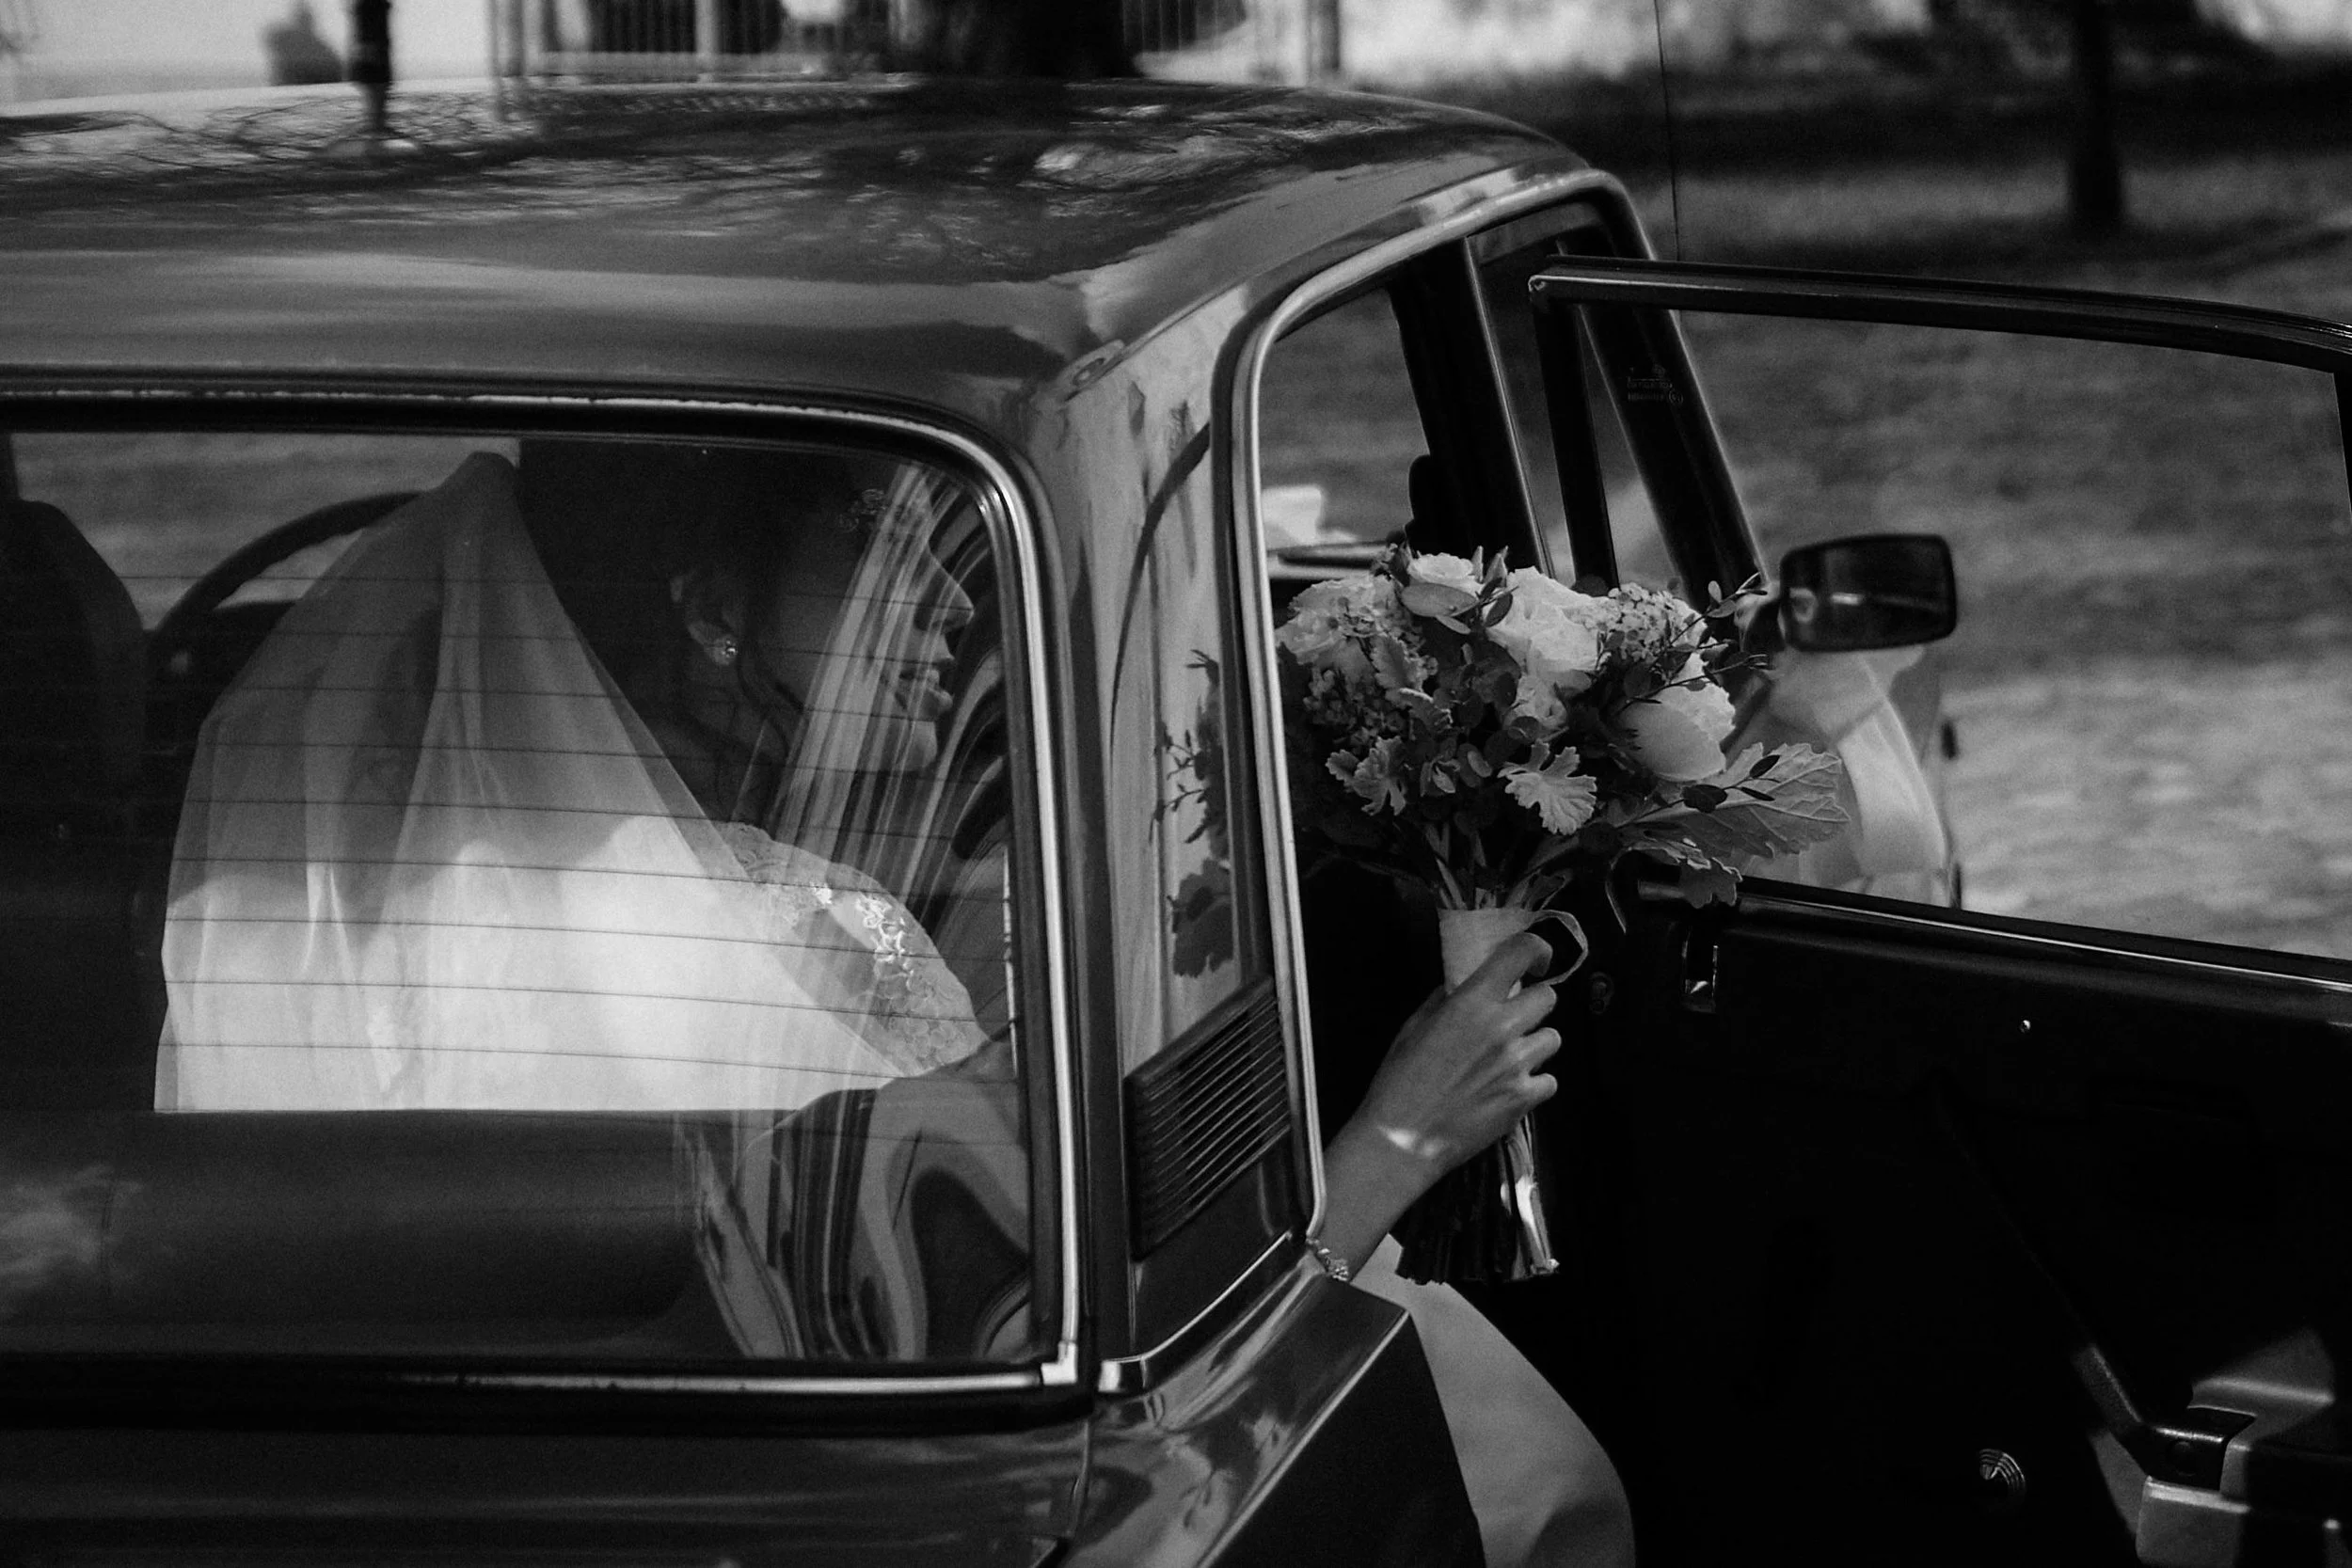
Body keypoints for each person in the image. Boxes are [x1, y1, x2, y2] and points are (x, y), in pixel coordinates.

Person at [156, 440, 1629, 1563]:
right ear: (714, 607)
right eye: (873, 542)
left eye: (938, 539)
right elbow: (1060, 1397)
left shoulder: (656, 885)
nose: (940, 604)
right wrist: (1403, 1138)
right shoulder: (688, 972)